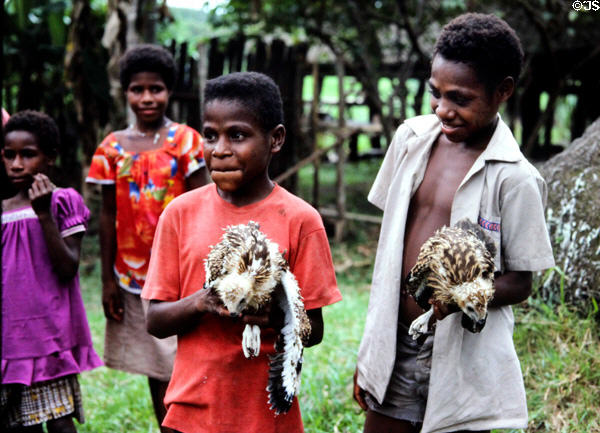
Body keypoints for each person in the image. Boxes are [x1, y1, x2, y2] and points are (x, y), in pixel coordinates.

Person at [353, 13, 555, 433]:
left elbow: (521, 283)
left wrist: (459, 295)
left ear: (502, 91)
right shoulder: (410, 139)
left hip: (463, 356)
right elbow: (390, 249)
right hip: (397, 343)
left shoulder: (515, 178)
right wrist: (371, 354)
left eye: (460, 99)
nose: (443, 109)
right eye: (435, 94)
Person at [141, 71, 342, 433]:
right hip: (191, 411)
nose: (219, 149)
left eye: (237, 135)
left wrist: (275, 313)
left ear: (275, 139)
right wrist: (203, 301)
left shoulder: (301, 220)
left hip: (267, 415)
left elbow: (314, 331)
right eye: (210, 135)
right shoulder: (179, 214)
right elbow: (155, 321)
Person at [85, 44, 209, 433]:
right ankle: (168, 428)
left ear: (169, 91)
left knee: (188, 361)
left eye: (155, 88)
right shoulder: (111, 149)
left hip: (184, 274)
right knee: (157, 369)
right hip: (134, 277)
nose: (146, 98)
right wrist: (107, 280)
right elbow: (107, 215)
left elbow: (203, 205)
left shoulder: (186, 143)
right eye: (137, 89)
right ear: (126, 93)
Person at [1, 110, 102, 432]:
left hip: (49, 340)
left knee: (59, 423)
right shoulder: (2, 210)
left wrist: (43, 214)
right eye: (9, 155)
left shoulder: (62, 201)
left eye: (28, 155)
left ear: (50, 159)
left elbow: (68, 267)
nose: (17, 164)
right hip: (8, 342)